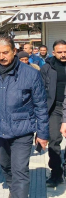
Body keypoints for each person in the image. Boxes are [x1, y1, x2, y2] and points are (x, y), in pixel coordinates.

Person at [0, 37, 49, 198]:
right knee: (5, 165)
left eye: (5, 52)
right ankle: (14, 190)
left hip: (22, 130)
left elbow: (41, 106)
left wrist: (43, 134)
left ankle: (18, 193)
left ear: (14, 51)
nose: (2, 56)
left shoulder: (31, 74)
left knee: (20, 171)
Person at [41, 40, 66, 187]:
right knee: (54, 140)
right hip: (54, 108)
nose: (63, 55)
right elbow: (41, 90)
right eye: (60, 52)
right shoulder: (46, 68)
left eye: (65, 51)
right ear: (53, 53)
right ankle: (56, 173)